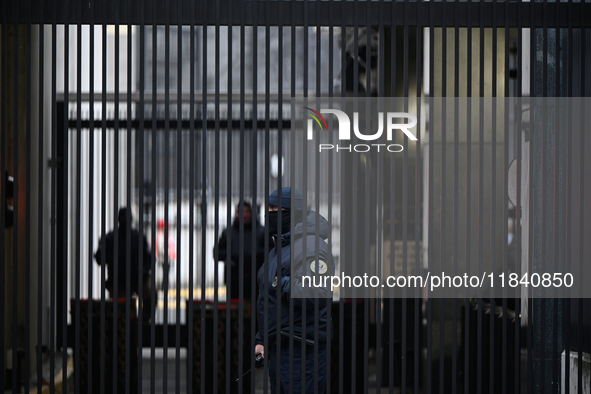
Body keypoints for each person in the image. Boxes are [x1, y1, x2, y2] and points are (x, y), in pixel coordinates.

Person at [255, 187, 333, 394]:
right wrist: (262, 340)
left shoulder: (311, 247)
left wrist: (280, 283)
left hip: (302, 351)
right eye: (268, 208)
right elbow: (269, 300)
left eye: (276, 208)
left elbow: (318, 293)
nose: (270, 213)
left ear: (292, 213)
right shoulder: (280, 248)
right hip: (280, 348)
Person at [94, 207, 153, 321]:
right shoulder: (110, 238)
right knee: (121, 308)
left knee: (150, 292)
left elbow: (150, 258)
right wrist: (113, 259)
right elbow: (99, 257)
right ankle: (129, 323)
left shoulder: (138, 237)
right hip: (119, 280)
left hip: (137, 277)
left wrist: (143, 271)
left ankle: (142, 321)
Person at [214, 201, 270, 301]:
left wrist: (256, 254)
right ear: (237, 214)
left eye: (246, 212)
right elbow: (217, 253)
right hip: (234, 280)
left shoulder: (262, 232)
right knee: (235, 310)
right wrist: (231, 255)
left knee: (255, 309)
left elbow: (271, 253)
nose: (244, 215)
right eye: (241, 212)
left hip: (256, 280)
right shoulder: (228, 232)